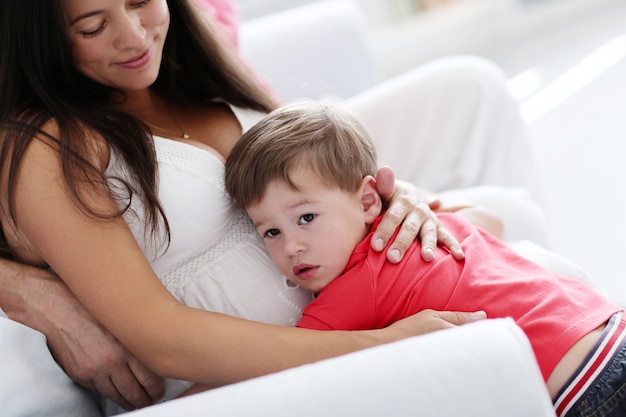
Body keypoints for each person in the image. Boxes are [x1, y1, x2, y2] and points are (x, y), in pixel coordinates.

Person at [0, 0, 501, 415]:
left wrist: (396, 198)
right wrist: (378, 346)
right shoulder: (50, 145)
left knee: (500, 216)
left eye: (140, 2)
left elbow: (318, 174)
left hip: (361, 319)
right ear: (43, 37)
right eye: (93, 26)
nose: (133, 36)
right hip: (241, 392)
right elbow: (161, 338)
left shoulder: (200, 75)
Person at [224, 100, 626, 417]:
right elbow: (493, 221)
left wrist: (174, 403)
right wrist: (434, 206)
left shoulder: (354, 290)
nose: (291, 245)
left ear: (367, 201)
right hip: (608, 327)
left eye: (306, 218)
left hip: (583, 389)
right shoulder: (429, 224)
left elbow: (270, 364)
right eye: (271, 232)